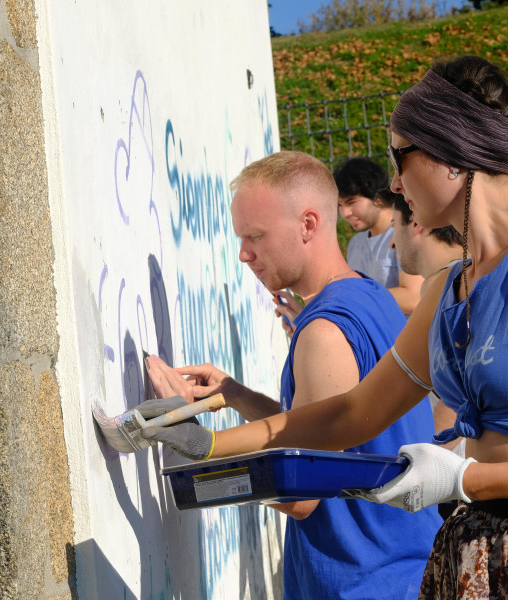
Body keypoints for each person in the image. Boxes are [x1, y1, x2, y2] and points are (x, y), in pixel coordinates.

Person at [144, 56, 508, 599]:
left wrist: (468, 479)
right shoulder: (446, 291)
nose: (393, 181)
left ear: (451, 156)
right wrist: (210, 444)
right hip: (466, 561)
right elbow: (351, 414)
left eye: (400, 156)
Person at [143, 151, 442, 600]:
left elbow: (300, 495)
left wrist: (199, 448)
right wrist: (236, 394)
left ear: (307, 224)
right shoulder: (371, 296)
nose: (244, 254)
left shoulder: (324, 332)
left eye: (255, 237)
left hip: (361, 584)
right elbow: (326, 430)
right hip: (403, 570)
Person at [334, 156, 424, 314]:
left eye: (351, 202)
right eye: (340, 205)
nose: (345, 213)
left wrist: (351, 299)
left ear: (378, 198)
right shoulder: (355, 243)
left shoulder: (406, 231)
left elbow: (413, 298)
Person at [387, 189, 463, 297]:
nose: (392, 245)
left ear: (416, 223)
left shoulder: (439, 287)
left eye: (394, 225)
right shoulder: (482, 269)